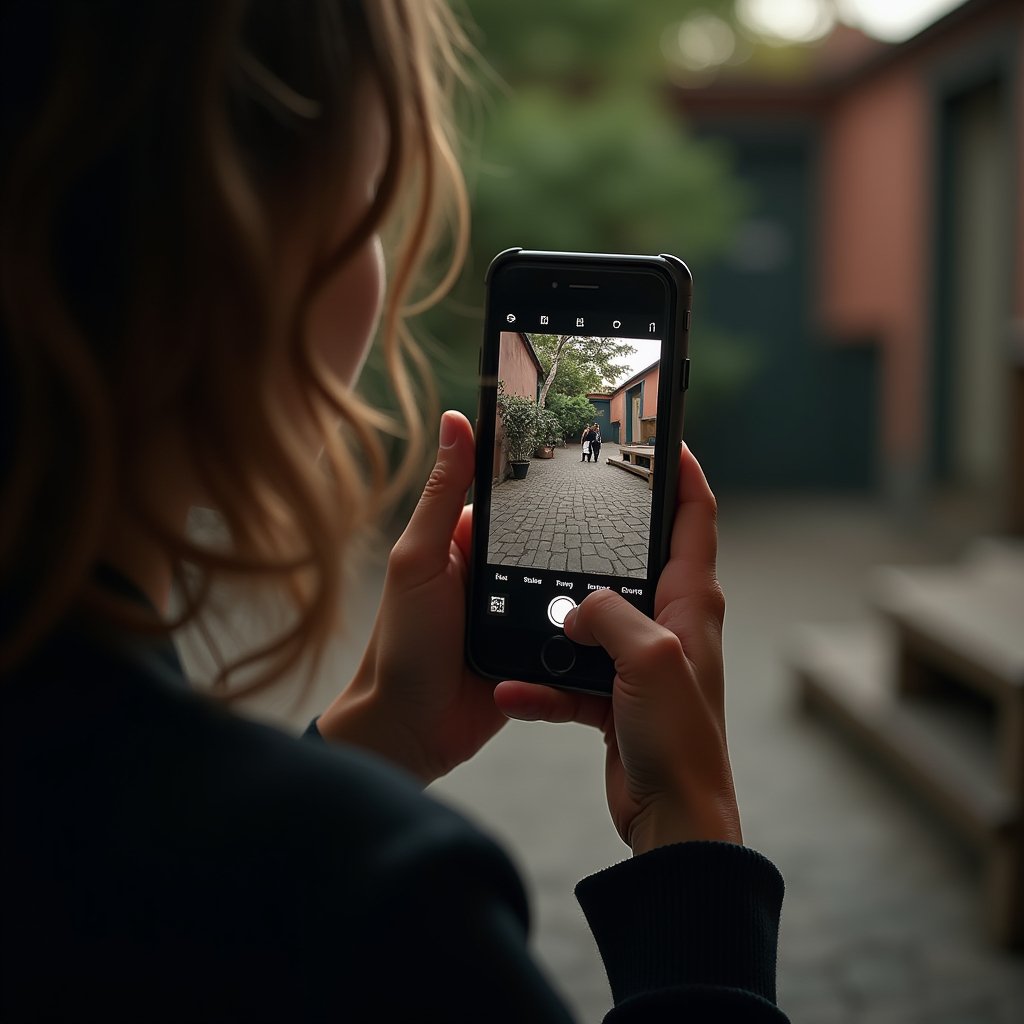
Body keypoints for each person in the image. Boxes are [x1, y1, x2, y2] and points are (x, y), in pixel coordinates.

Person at [0, 2, 787, 1021]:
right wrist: (694, 846)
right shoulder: (379, 905)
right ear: (241, 233)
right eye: (371, 208)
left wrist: (383, 737)